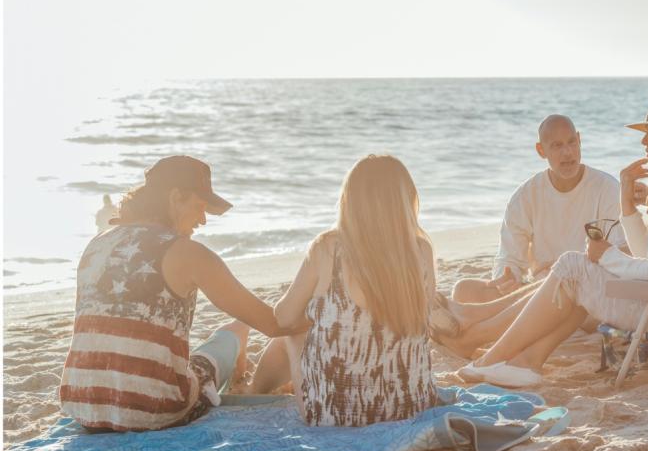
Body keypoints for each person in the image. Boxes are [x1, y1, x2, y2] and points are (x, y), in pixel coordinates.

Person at [459, 89, 648, 387]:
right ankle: (526, 362)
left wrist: (607, 256)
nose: (644, 141)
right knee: (578, 271)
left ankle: (493, 358)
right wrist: (627, 204)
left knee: (573, 266)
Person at [59, 156, 293, 432]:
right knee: (236, 329)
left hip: (82, 404)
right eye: (200, 207)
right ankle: (245, 385)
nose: (203, 220)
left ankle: (241, 381)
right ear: (175, 197)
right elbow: (274, 324)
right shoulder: (188, 252)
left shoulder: (97, 244)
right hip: (155, 410)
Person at [248, 155, 440, 427]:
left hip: (336, 415)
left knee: (293, 335)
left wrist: (315, 312)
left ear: (349, 201)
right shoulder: (421, 249)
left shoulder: (328, 247)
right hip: (409, 406)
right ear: (407, 200)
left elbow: (284, 318)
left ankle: (253, 392)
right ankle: (256, 389)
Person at [451, 115, 624, 304]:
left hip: (588, 293)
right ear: (541, 150)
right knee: (464, 289)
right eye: (557, 145)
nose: (567, 152)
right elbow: (509, 259)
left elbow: (620, 258)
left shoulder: (607, 189)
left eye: (571, 142)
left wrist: (567, 274)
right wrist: (508, 280)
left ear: (579, 140)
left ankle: (480, 318)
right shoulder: (525, 196)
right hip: (539, 292)